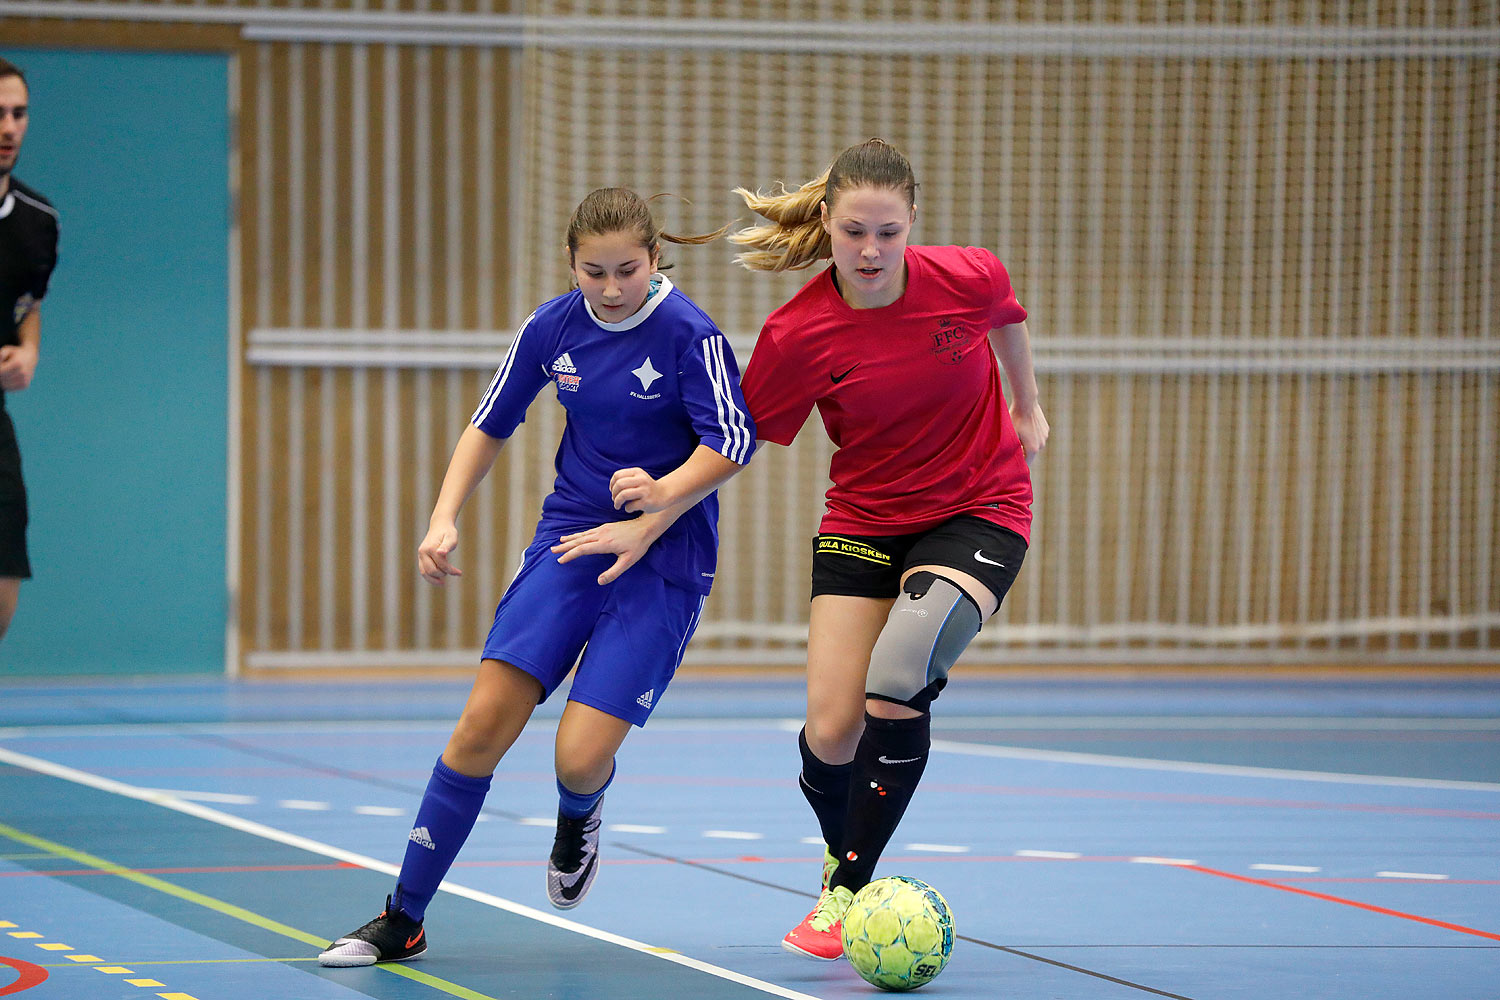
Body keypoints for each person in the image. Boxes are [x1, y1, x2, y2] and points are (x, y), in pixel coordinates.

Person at [319, 187, 754, 967]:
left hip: (664, 559)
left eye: (628, 269)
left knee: (579, 757)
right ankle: (403, 917)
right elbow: (489, 424)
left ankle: (578, 814)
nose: (613, 288)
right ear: (570, 262)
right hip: (571, 542)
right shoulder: (551, 328)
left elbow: (734, 440)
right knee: (481, 725)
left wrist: (660, 498)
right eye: (596, 272)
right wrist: (443, 516)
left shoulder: (692, 335)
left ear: (654, 259)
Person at [729, 138, 1049, 960]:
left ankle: (842, 892)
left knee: (900, 671)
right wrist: (654, 507)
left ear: (914, 225)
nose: (870, 250)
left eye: (889, 232)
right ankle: (852, 862)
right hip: (866, 519)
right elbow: (734, 441)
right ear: (827, 224)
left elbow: (1007, 322)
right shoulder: (797, 333)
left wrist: (1027, 407)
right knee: (832, 734)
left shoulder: (970, 277)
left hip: (979, 506)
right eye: (853, 232)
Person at [0, 56, 59, 645]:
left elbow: (28, 305)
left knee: (4, 584)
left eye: (18, 114)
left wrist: (28, 351)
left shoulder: (38, 220)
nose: (8, 127)